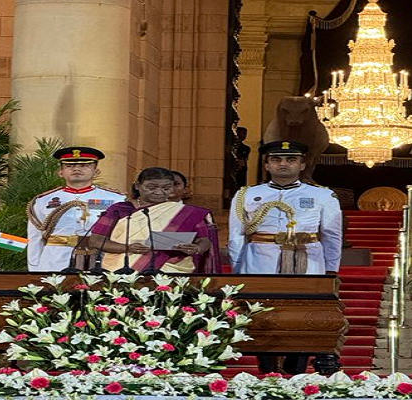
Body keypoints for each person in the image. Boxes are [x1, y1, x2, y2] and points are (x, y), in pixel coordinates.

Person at [228, 140, 343, 374]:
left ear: (302, 165)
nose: (283, 164)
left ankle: (297, 365)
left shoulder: (322, 195)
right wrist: (238, 267)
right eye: (276, 159)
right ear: (267, 165)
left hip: (307, 257)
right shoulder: (248, 194)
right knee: (261, 311)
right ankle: (267, 366)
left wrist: (331, 270)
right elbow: (236, 234)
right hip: (260, 258)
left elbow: (332, 235)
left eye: (291, 160)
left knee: (303, 310)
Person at [88, 167, 221, 273]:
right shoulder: (120, 209)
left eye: (166, 188)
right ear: (137, 186)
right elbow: (96, 240)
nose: (159, 192)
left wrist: (196, 248)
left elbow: (204, 240)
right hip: (123, 269)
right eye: (152, 187)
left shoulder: (188, 212)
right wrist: (127, 248)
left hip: (171, 269)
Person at [27, 147, 125, 272]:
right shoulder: (43, 201)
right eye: (69, 166)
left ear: (96, 171)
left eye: (85, 165)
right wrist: (34, 268)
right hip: (55, 259)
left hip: (101, 258)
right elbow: (35, 237)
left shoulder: (116, 200)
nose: (76, 169)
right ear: (60, 172)